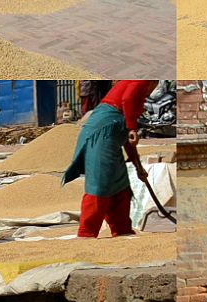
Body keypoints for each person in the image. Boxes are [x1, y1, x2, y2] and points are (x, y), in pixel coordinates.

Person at [62, 80, 158, 238]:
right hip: (100, 135)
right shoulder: (142, 78)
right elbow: (127, 99)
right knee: (101, 182)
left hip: (113, 138)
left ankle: (122, 230)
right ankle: (86, 233)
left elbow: (128, 139)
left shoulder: (136, 101)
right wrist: (132, 127)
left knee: (120, 183)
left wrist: (138, 166)